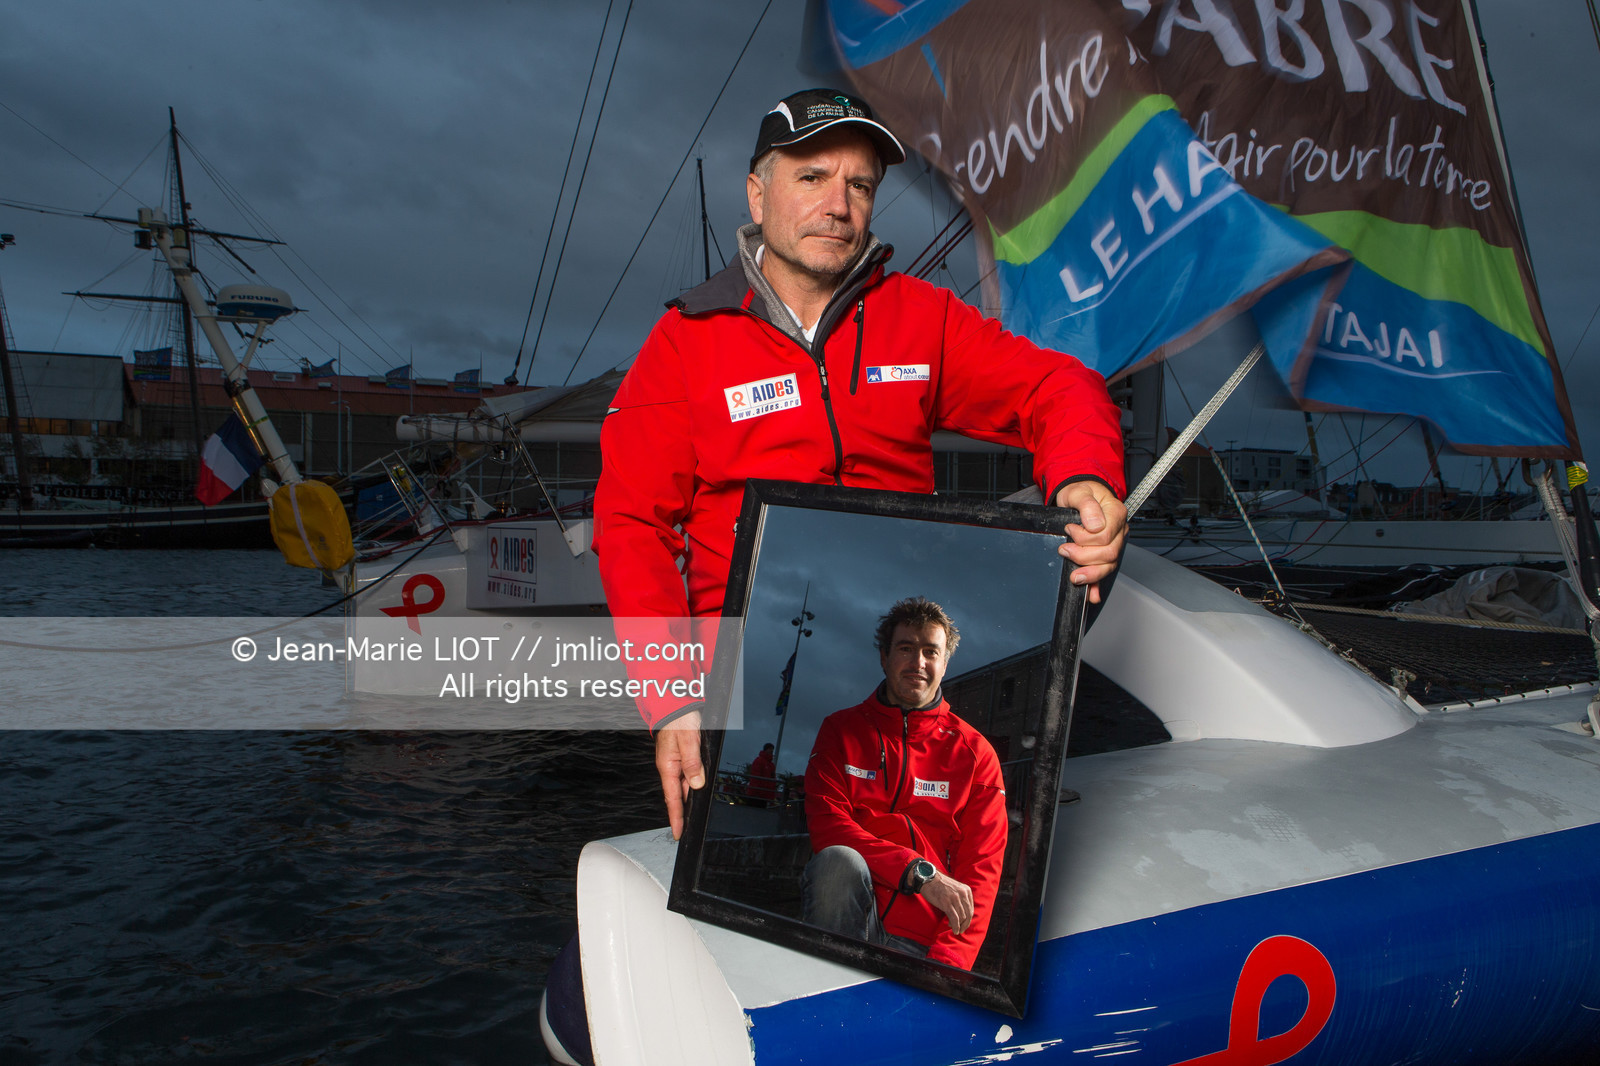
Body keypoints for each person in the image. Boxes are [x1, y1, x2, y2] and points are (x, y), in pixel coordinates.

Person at [593, 87, 1128, 838]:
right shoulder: (685, 342)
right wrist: (671, 698)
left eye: (860, 185)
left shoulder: (922, 319)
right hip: (747, 683)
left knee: (933, 873)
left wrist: (1085, 475)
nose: (838, 205)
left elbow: (1058, 386)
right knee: (767, 869)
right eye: (812, 177)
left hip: (902, 660)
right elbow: (630, 525)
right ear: (758, 193)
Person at [801, 598, 1005, 970]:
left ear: (945, 663)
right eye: (906, 648)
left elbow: (981, 873)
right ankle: (822, 980)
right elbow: (828, 827)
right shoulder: (841, 731)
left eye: (931, 651)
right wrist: (916, 872)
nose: (918, 663)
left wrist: (944, 969)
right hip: (846, 921)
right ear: (884, 656)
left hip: (921, 946)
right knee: (837, 861)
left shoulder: (976, 754)